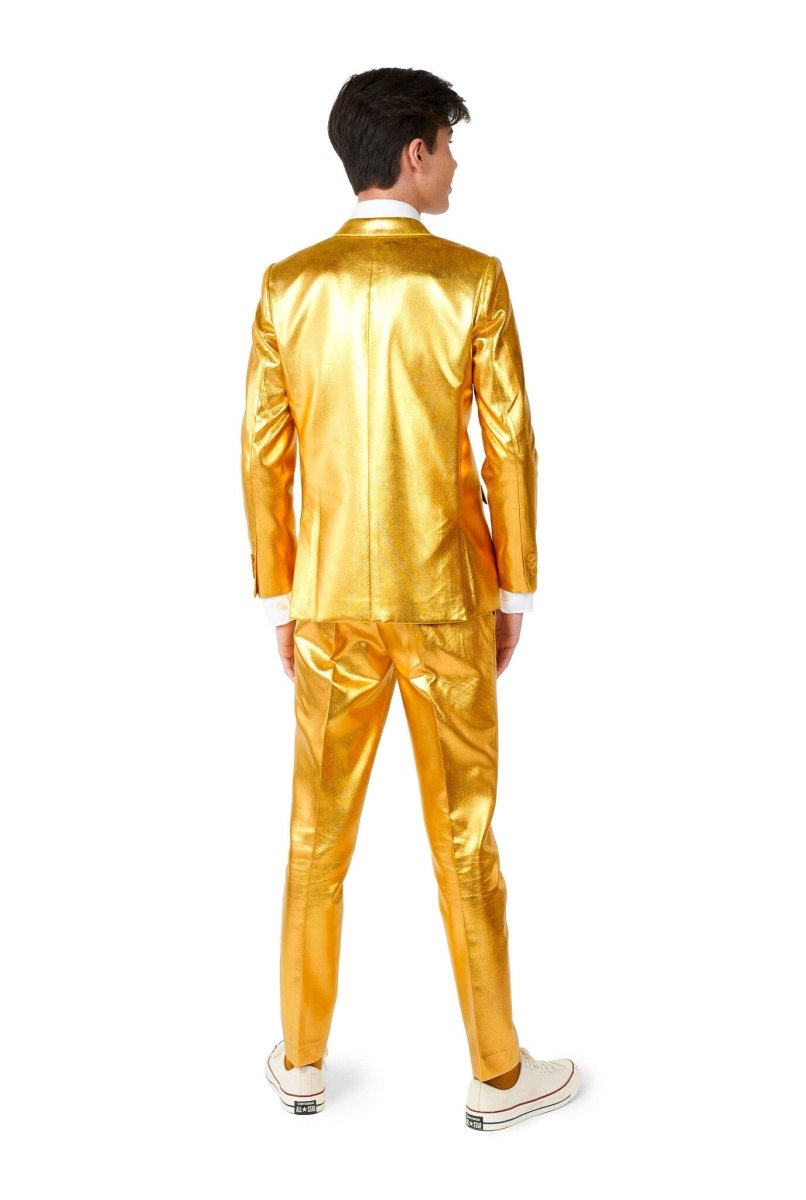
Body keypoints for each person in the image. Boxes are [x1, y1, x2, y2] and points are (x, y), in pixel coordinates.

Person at [240, 66, 579, 1131]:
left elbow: (263, 455)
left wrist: (281, 601)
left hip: (330, 601)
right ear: (415, 151)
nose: (456, 167)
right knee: (465, 838)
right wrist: (514, 587)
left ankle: (300, 1060)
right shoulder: (472, 279)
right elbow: (510, 443)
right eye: (448, 145)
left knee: (315, 836)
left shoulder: (288, 285)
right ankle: (497, 1072)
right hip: (448, 598)